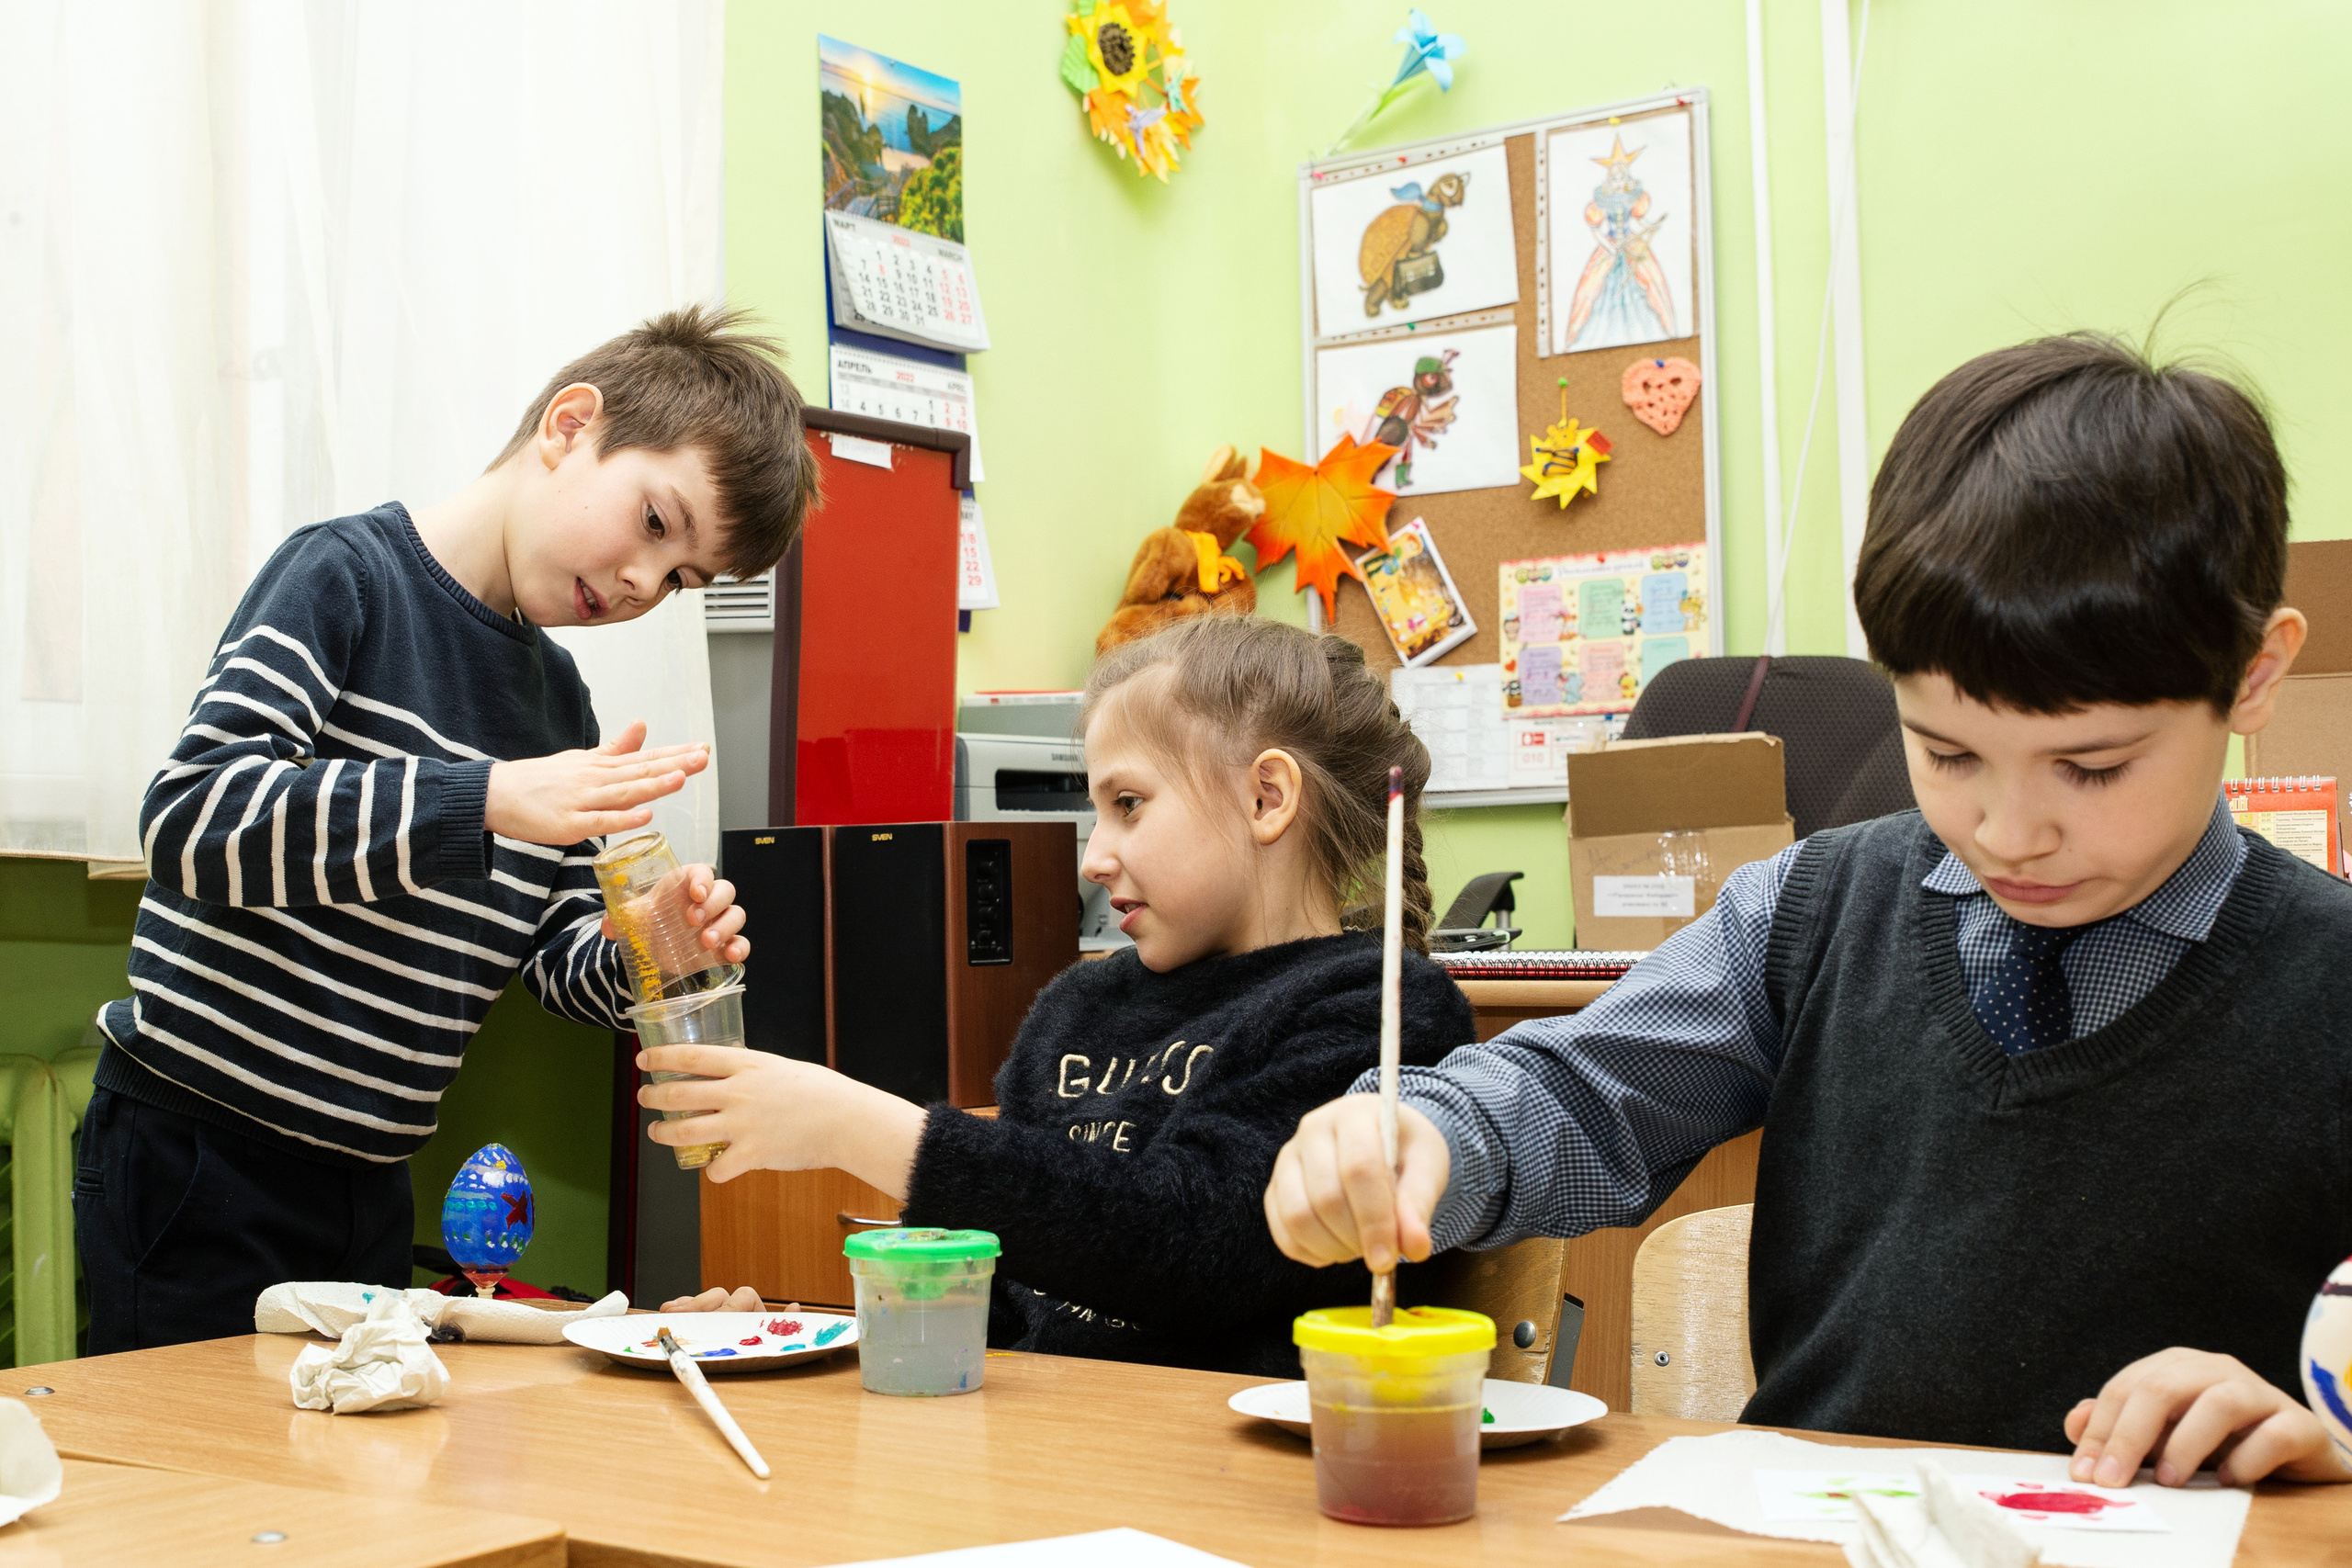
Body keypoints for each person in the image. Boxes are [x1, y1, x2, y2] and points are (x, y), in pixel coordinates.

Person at [1263, 333, 2352, 1488]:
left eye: (2089, 768)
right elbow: (1579, 1092)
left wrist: (2325, 1427)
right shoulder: (1811, 911)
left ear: (2251, 676)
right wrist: (1424, 1132)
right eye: (1944, 752)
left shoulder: (2328, 980)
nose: (2005, 830)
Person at [76, 305, 820, 1351]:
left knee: (356, 1494)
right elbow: (195, 816)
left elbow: (551, 961)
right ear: (569, 426)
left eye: (681, 581)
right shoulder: (346, 578)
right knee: (195, 1486)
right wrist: (484, 797)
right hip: (200, 1151)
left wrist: (646, 947)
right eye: (657, 526)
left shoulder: (559, 708)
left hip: (372, 1177)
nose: (643, 585)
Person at [651, 616, 1474, 1377]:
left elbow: (1197, 1246)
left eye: (1128, 805)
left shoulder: (1382, 1008)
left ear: (1266, 798)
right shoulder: (1076, 1009)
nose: (1094, 857)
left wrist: (856, 1125)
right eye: (1096, 811)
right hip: (1048, 1462)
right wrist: (792, 1337)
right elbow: (1008, 1312)